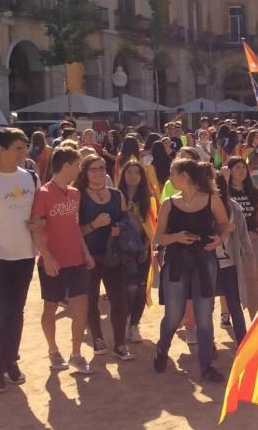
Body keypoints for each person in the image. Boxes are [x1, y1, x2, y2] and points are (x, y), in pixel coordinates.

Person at [0, 128, 40, 392]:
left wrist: (40, 224)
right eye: (18, 149)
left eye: (25, 148)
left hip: (24, 258)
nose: (24, 153)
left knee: (16, 314)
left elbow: (39, 215)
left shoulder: (32, 178)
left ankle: (12, 362)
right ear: (2, 150)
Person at [152, 158, 228, 382]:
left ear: (184, 176)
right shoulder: (168, 203)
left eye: (172, 173)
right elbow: (158, 237)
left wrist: (219, 239)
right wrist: (176, 237)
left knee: (204, 316)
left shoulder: (212, 200)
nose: (170, 178)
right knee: (173, 315)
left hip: (204, 262)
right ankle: (162, 349)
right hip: (176, 262)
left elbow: (225, 224)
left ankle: (206, 366)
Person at [31, 146, 96, 375]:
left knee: (81, 307)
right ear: (66, 166)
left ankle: (76, 354)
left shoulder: (75, 193)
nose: (80, 170)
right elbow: (36, 230)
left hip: (76, 261)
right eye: (78, 165)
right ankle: (53, 349)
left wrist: (85, 252)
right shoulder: (43, 193)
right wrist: (47, 257)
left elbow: (74, 226)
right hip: (52, 263)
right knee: (50, 308)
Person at [77, 154, 133, 360]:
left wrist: (120, 228)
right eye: (93, 169)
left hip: (113, 256)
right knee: (90, 300)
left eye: (102, 168)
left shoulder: (117, 195)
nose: (99, 172)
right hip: (88, 257)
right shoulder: (78, 196)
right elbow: (73, 231)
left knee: (119, 300)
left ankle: (120, 343)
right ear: (85, 172)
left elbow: (127, 222)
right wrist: (94, 225)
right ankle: (98, 338)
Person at [226, 156, 258, 318]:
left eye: (243, 167)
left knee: (252, 280)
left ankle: (255, 319)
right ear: (229, 171)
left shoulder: (253, 192)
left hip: (251, 238)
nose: (241, 171)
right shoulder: (223, 191)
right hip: (230, 240)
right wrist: (224, 180)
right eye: (237, 167)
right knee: (231, 280)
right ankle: (230, 316)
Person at [116, 161, 156, 345]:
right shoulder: (116, 197)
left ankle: (134, 325)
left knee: (140, 287)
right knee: (127, 287)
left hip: (142, 248)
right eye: (129, 172)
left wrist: (147, 245)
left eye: (137, 173)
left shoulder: (148, 199)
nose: (133, 176)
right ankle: (124, 321)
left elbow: (151, 226)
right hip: (123, 249)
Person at [213, 174, 252, 346]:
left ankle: (243, 343)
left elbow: (243, 235)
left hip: (230, 265)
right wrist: (223, 229)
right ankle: (208, 346)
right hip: (209, 264)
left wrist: (249, 260)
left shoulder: (234, 208)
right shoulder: (202, 207)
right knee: (206, 308)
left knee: (235, 306)